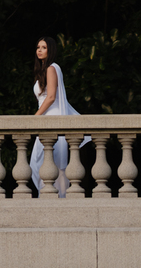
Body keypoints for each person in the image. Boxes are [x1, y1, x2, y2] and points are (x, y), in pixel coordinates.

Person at [30, 36, 89, 197]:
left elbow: (51, 97)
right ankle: (49, 196)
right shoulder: (45, 69)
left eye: (44, 47)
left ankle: (55, 197)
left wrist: (35, 117)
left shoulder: (51, 68)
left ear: (51, 50)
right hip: (46, 116)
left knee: (49, 161)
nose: (39, 50)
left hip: (51, 117)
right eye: (38, 47)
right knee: (40, 161)